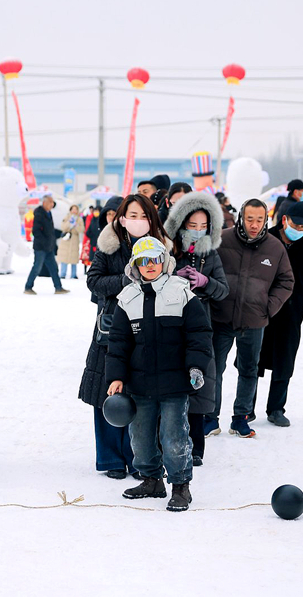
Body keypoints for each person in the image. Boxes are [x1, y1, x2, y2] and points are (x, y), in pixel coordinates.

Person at [106, 237, 212, 512]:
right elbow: (118, 342)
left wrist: (196, 366)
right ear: (135, 265)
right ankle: (151, 480)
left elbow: (199, 334)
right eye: (143, 261)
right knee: (140, 437)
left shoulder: (181, 293)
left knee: (174, 437)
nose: (150, 265)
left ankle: (180, 486)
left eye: (155, 259)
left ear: (164, 261)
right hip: (140, 385)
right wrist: (116, 376)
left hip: (174, 384)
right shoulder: (127, 299)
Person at [80, 194, 170, 479]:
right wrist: (124, 279)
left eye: (144, 216)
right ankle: (111, 459)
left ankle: (139, 458)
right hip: (111, 328)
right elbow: (93, 281)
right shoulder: (109, 246)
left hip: (149, 329)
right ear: (122, 218)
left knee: (142, 395)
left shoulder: (163, 247)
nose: (138, 221)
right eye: (133, 215)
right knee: (107, 392)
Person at [206, 198, 294, 438]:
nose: (254, 225)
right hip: (221, 317)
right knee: (213, 369)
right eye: (250, 219)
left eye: (259, 220)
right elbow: (207, 271)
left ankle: (241, 418)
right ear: (241, 218)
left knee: (248, 370)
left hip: (254, 321)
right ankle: (210, 418)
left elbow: (286, 281)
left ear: (266, 220)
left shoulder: (275, 248)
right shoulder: (222, 239)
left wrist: (268, 306)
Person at [164, 191, 229, 465]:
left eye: (203, 225)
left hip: (201, 327)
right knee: (172, 384)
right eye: (192, 225)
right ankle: (168, 444)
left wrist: (205, 282)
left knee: (200, 383)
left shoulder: (211, 254)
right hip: (170, 325)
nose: (198, 230)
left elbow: (223, 290)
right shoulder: (168, 250)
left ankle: (196, 448)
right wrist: (172, 277)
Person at [252, 202, 303, 427]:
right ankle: (245, 408)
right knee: (253, 360)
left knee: (284, 361)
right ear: (284, 220)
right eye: (296, 224)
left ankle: (276, 408)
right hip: (260, 311)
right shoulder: (265, 240)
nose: (299, 229)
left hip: (291, 314)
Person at [24, 195, 70, 295]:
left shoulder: (48, 213)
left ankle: (58, 287)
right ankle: (28, 287)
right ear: (44, 203)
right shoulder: (39, 214)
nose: (52, 204)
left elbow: (50, 230)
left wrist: (57, 236)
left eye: (52, 202)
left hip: (49, 247)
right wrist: (44, 242)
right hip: (41, 247)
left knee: (53, 268)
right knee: (37, 267)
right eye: (50, 202)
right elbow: (36, 231)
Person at [57, 205, 84, 280]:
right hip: (66, 240)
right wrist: (69, 223)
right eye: (73, 209)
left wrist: (75, 225)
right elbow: (63, 227)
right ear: (70, 210)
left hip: (74, 240)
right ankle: (63, 273)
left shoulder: (79, 219)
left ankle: (73, 274)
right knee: (64, 257)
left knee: (74, 258)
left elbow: (81, 229)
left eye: (76, 209)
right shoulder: (66, 217)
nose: (74, 211)